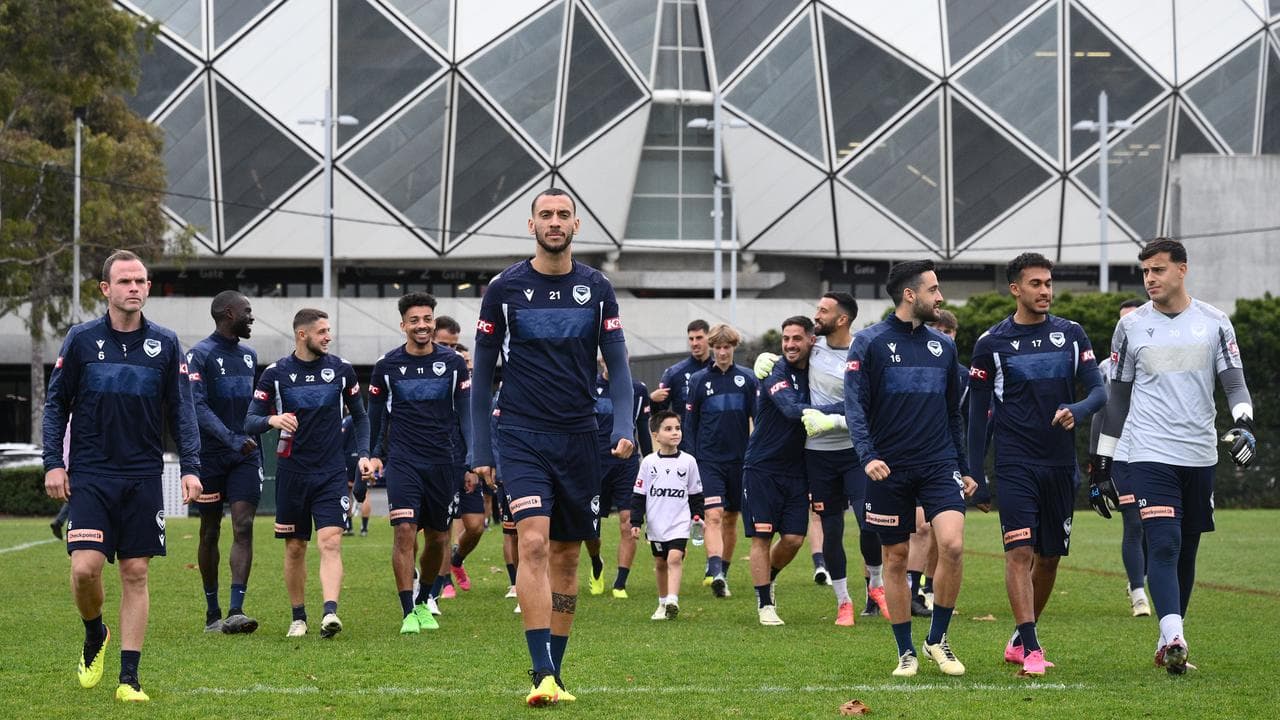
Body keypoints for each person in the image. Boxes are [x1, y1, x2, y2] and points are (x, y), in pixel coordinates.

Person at [469, 188, 635, 706]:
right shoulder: (505, 287)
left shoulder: (597, 287)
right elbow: (481, 371)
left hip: (580, 437)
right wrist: (481, 449)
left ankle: (554, 675)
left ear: (576, 225)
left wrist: (624, 424)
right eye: (546, 214)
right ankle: (540, 670)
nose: (555, 222)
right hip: (520, 433)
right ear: (531, 224)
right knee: (534, 543)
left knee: (567, 556)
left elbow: (620, 363)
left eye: (563, 215)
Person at [43, 249, 202, 702]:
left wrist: (191, 468)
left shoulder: (167, 344)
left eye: (142, 281)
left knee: (135, 572)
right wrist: (53, 461)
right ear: (105, 289)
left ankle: (129, 679)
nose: (135, 287)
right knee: (85, 570)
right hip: (91, 473)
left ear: (148, 288)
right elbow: (56, 404)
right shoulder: (80, 339)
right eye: (126, 281)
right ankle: (96, 632)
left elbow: (182, 411)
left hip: (143, 475)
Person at [1092, 238, 1256, 675]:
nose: (1149, 279)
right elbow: (1118, 399)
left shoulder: (1215, 322)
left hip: (1200, 454)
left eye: (1158, 270)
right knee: (1162, 544)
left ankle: (1168, 640)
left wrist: (1244, 422)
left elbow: (1235, 384)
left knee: (1186, 551)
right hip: (1148, 453)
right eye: (1145, 271)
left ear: (1182, 270)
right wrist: (1104, 461)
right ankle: (1176, 636)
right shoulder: (1130, 328)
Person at [967, 253, 1106, 676]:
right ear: (1015, 289)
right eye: (1036, 284)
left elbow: (1099, 392)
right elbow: (975, 416)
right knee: (1020, 551)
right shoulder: (991, 343)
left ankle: (1020, 637)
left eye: (1048, 283)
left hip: (1060, 465)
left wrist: (1076, 410)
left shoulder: (1072, 334)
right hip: (1015, 464)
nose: (1045, 291)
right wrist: (977, 474)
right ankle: (1032, 649)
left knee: (1048, 559)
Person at [843, 259, 976, 678]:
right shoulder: (869, 342)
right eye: (933, 289)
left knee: (952, 546)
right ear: (910, 294)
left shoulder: (946, 346)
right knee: (895, 557)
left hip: (939, 464)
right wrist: (868, 456)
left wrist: (964, 465)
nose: (940, 297)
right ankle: (905, 651)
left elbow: (953, 414)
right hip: (888, 468)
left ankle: (937, 639)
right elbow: (855, 406)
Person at [245, 308, 371, 639]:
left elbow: (360, 417)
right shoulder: (276, 373)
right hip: (292, 473)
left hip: (330, 472)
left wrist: (364, 454)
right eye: (322, 331)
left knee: (330, 542)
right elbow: (249, 421)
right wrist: (272, 420)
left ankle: (330, 612)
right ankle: (298, 616)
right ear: (303, 335)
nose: (328, 336)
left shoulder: (341, 370)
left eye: (329, 330)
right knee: (295, 547)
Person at [366, 292, 471, 635]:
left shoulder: (454, 364)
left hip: (443, 461)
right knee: (405, 530)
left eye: (426, 319)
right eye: (414, 320)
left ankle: (426, 599)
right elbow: (376, 417)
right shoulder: (387, 366)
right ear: (403, 325)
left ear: (433, 322)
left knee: (439, 538)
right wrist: (371, 454)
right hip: (404, 460)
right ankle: (408, 609)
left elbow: (466, 416)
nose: (421, 325)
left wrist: (472, 459)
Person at [188, 290, 262, 635]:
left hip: (245, 455)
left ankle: (236, 609)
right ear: (228, 313)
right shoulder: (199, 355)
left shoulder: (249, 356)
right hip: (210, 456)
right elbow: (197, 407)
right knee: (210, 529)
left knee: (243, 525)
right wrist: (230, 438)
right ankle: (212, 612)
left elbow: (254, 407)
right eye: (247, 311)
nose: (252, 317)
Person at [743, 316, 817, 626]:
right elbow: (789, 409)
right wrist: (840, 414)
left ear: (811, 340)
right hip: (762, 466)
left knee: (794, 539)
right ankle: (764, 604)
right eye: (785, 338)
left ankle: (769, 576)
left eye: (796, 338)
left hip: (797, 469)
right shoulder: (774, 371)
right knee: (761, 536)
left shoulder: (818, 374)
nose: (789, 344)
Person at [685, 323, 757, 597]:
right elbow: (690, 424)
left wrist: (755, 454)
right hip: (709, 461)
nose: (723, 352)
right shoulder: (699, 381)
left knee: (730, 518)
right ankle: (714, 570)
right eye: (718, 348)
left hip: (739, 461)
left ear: (733, 348)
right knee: (713, 515)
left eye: (727, 347)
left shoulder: (748, 380)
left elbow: (758, 420)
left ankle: (722, 574)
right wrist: (691, 460)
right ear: (712, 349)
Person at [1090, 298, 1150, 618]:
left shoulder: (1158, 359)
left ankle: (1144, 577)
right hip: (1122, 450)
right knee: (1134, 522)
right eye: (1121, 321)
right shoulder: (1106, 367)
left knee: (1157, 524)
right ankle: (1138, 591)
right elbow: (1103, 412)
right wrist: (1096, 461)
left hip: (1156, 449)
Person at [586, 357, 652, 599]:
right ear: (601, 360)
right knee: (590, 528)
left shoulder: (638, 390)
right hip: (594, 464)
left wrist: (651, 463)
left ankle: (620, 583)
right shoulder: (588, 385)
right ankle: (596, 563)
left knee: (628, 520)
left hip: (627, 465)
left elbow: (643, 429)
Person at [631, 410, 703, 620]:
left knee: (674, 558)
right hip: (656, 524)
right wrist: (636, 521)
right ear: (656, 435)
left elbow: (696, 494)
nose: (675, 433)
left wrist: (698, 517)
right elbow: (639, 495)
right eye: (668, 429)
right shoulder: (648, 463)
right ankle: (662, 603)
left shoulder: (689, 462)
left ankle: (673, 599)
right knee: (660, 563)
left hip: (679, 523)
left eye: (677, 428)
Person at [650, 319, 711, 421]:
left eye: (699, 338)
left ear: (709, 338)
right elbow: (659, 415)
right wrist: (652, 400)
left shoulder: (717, 370)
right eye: (691, 339)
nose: (694, 343)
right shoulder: (674, 373)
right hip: (685, 435)